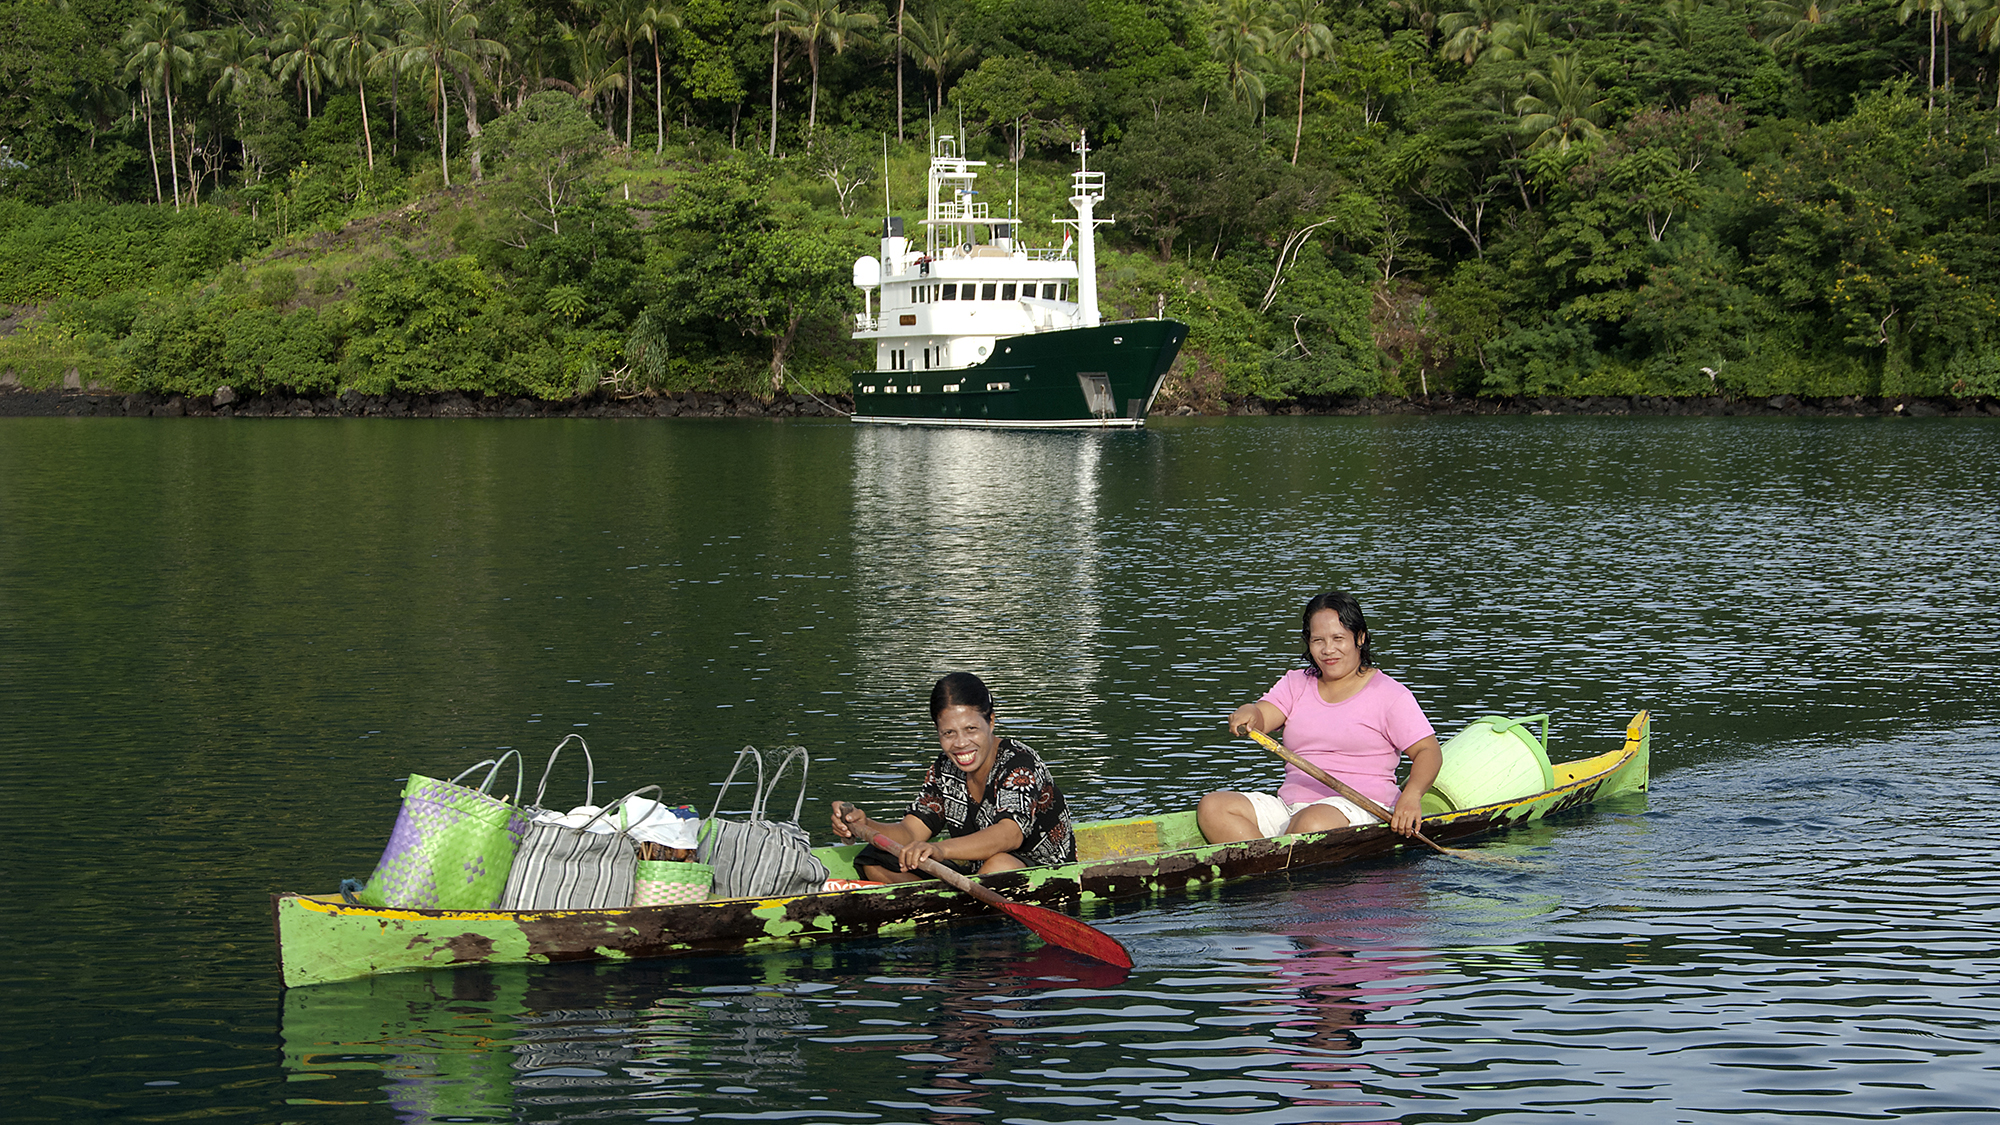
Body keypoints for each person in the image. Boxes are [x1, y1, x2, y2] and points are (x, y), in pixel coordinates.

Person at [1197, 591, 1441, 843]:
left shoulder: (1390, 694)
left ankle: (1276, 861)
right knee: (1213, 806)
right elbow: (1261, 716)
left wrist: (1411, 797)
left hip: (1362, 809)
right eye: (1318, 640)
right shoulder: (1295, 683)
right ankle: (1270, 862)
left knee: (1310, 822)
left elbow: (1428, 751)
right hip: (1292, 808)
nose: (1328, 650)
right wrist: (1249, 712)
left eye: (1338, 638)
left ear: (1359, 637)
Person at [830, 672, 1076, 882]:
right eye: (948, 733)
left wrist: (940, 849)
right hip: (976, 871)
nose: (960, 744)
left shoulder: (1019, 763)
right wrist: (865, 824)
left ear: (990, 722)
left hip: (1042, 871)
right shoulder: (945, 768)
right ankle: (942, 906)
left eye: (971, 729)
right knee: (872, 858)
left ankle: (952, 905)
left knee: (998, 865)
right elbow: (912, 831)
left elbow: (1009, 834)